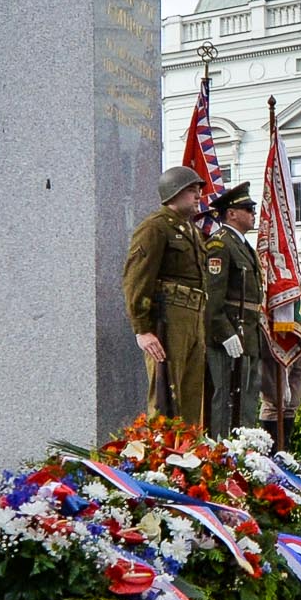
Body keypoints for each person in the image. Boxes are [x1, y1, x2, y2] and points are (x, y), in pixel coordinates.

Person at [120, 166, 212, 429]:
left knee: (192, 398)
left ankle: (190, 457)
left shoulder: (191, 231)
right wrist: (142, 329)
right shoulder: (155, 227)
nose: (198, 197)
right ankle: (163, 458)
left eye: (198, 191)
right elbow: (136, 279)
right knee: (166, 397)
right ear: (174, 192)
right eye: (192, 190)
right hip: (169, 318)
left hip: (193, 317)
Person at [204, 183, 263, 436]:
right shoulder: (220, 245)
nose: (253, 214)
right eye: (248, 209)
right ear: (231, 214)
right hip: (228, 332)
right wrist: (224, 332)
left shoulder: (243, 245)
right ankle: (222, 450)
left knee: (247, 398)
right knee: (224, 397)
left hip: (247, 331)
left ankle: (246, 449)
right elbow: (213, 298)